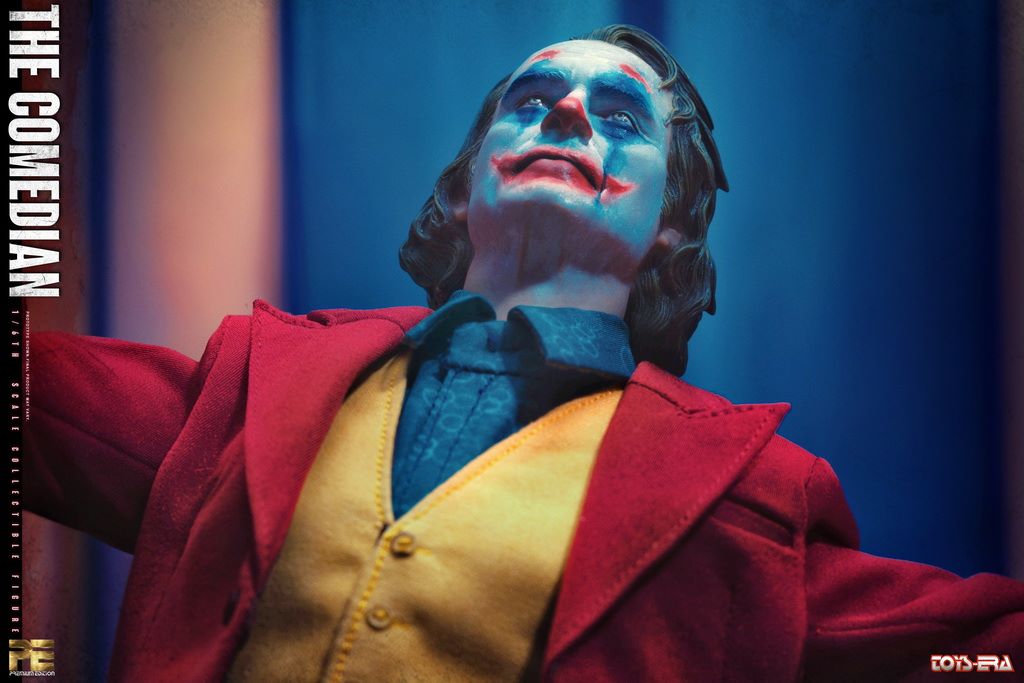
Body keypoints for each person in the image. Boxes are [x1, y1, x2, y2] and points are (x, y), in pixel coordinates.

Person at [26, 25, 1023, 683]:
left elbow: (977, 650)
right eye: (531, 99)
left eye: (621, 118)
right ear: (465, 187)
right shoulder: (257, 385)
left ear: (671, 223)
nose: (569, 113)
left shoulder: (742, 498)